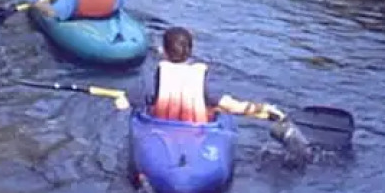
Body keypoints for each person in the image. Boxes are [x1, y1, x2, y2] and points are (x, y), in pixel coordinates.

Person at [115, 26, 283, 124]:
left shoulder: (157, 81)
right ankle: (266, 109)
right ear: (190, 52)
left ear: (164, 53)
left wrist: (124, 100)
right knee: (216, 107)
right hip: (197, 134)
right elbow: (231, 105)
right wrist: (259, 108)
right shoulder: (199, 81)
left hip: (163, 128)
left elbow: (129, 102)